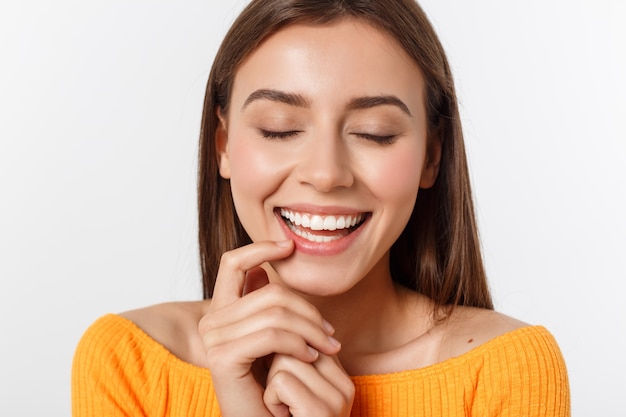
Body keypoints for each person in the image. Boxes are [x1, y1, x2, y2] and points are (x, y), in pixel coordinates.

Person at [72, 0, 570, 415]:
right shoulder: (129, 362)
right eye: (280, 128)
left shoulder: (506, 371)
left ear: (431, 157)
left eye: (376, 133)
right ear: (222, 145)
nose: (327, 173)